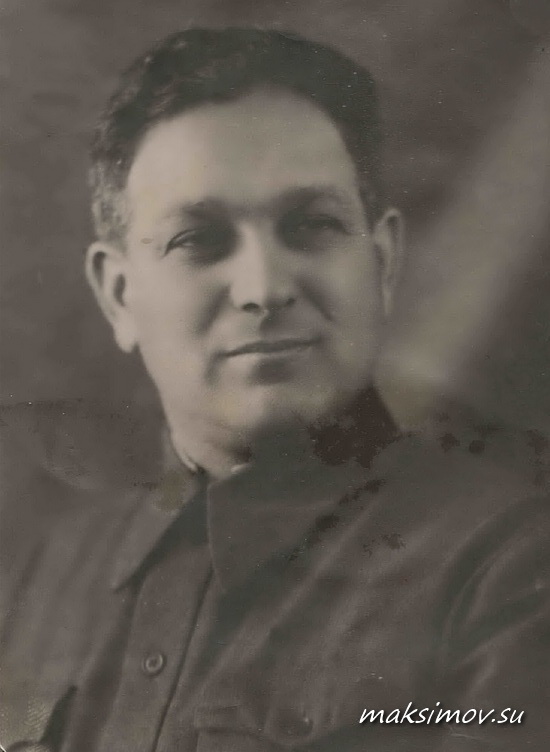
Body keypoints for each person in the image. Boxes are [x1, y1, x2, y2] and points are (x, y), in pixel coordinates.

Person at [1, 28, 549, 752]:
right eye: (199, 240)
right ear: (119, 295)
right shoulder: (44, 578)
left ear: (383, 262)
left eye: (312, 226)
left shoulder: (511, 567)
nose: (263, 287)